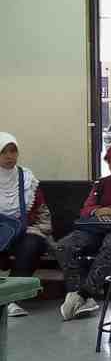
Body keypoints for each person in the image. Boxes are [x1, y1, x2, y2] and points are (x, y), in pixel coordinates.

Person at [55, 141, 111, 321]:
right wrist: (97, 211)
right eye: (109, 162)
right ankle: (76, 293)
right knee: (65, 245)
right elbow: (86, 209)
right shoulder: (102, 184)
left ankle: (84, 295)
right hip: (97, 228)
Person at [0, 133, 52, 317]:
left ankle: (10, 300)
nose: (9, 157)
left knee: (32, 244)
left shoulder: (27, 179)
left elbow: (42, 213)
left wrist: (38, 231)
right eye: (4, 152)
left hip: (24, 231)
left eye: (13, 152)